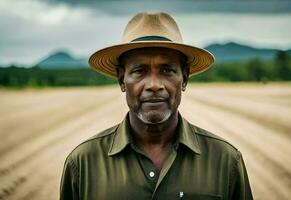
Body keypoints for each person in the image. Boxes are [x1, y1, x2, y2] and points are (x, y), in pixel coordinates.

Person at [60, 12, 253, 200]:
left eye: (167, 70)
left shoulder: (226, 161)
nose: (154, 85)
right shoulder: (82, 164)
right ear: (121, 80)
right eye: (139, 71)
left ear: (184, 79)